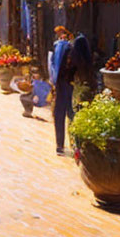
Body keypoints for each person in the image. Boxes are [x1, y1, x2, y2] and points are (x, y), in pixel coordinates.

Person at [49, 26, 74, 156]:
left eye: (61, 33)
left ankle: (64, 144)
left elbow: (52, 65)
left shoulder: (66, 47)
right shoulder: (57, 47)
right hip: (64, 84)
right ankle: (64, 145)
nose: (60, 35)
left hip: (64, 84)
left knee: (64, 114)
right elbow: (52, 65)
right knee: (66, 114)